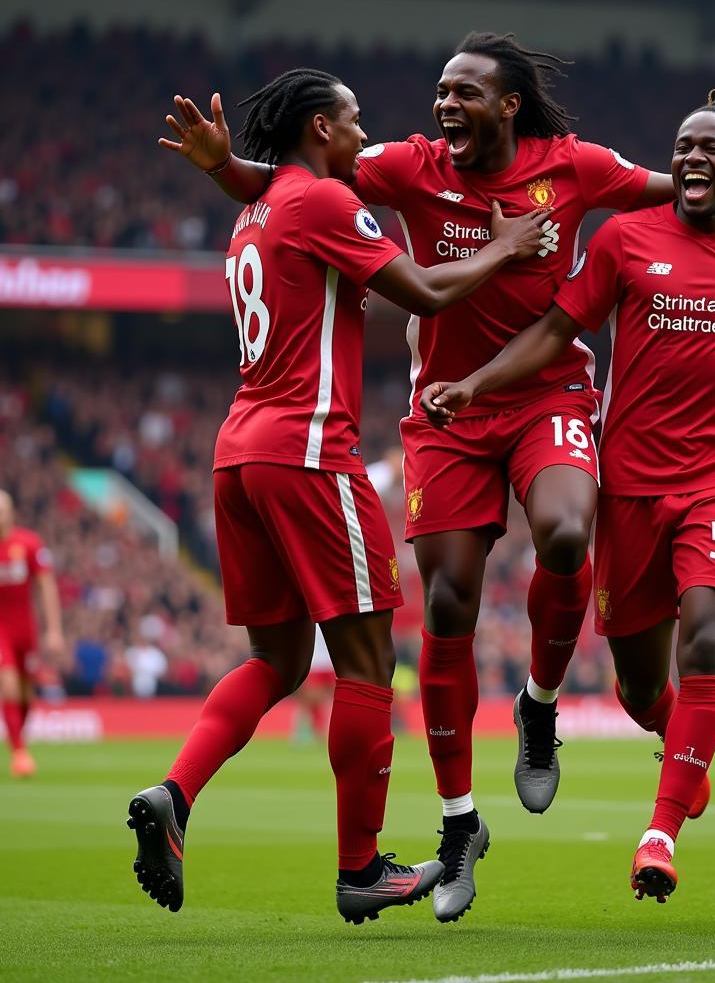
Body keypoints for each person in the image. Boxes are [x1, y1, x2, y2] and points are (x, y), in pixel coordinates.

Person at [170, 33, 715, 922]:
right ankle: (456, 823)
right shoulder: (407, 167)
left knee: (563, 532)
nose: (443, 105)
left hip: (549, 392)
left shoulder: (578, 168)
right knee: (444, 607)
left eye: (463, 91)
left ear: (508, 104)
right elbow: (298, 192)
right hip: (446, 410)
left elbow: (701, 196)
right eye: (440, 90)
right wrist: (226, 169)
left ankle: (541, 703)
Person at [129, 67, 548, 924]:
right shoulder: (322, 202)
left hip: (238, 455)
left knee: (277, 662)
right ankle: (360, 869)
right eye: (354, 122)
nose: (366, 135)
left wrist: (221, 172)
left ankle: (176, 794)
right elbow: (426, 292)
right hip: (311, 453)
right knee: (366, 664)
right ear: (321, 128)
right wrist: (509, 246)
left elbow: (274, 198)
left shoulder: (255, 212)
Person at [420, 88, 715, 902]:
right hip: (630, 487)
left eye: (708, 149)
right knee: (644, 687)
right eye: (682, 145)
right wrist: (473, 385)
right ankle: (673, 736)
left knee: (711, 639)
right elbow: (555, 332)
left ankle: (660, 832)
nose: (689, 158)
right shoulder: (623, 239)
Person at [0, 489, 64, 778]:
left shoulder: (28, 543)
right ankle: (19, 753)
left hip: (25, 629)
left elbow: (46, 586)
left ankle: (18, 738)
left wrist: (54, 630)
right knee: (9, 685)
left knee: (26, 694)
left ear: (11, 512)